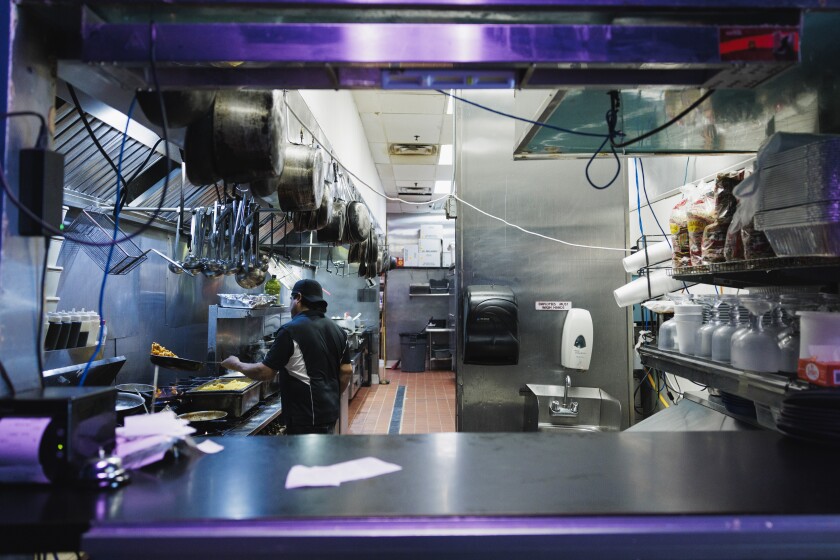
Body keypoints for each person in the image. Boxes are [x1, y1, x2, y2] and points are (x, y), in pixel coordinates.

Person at [221, 279, 351, 435]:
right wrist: (330, 396)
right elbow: (346, 371)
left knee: (304, 459)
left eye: (291, 298)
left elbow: (265, 372)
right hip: (329, 411)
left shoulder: (290, 330)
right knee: (320, 457)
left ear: (298, 298)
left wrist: (236, 364)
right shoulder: (338, 331)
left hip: (304, 416)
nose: (290, 303)